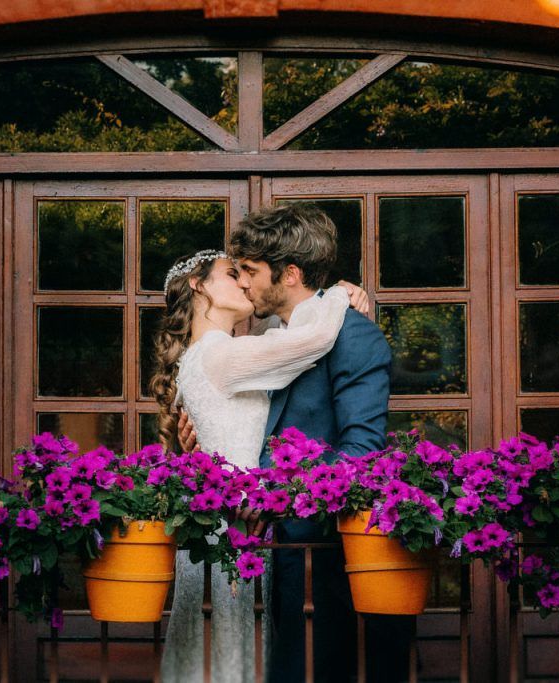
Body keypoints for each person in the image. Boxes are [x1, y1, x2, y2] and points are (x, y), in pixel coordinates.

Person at [178, 203, 413, 683]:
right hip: (271, 553)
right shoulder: (272, 336)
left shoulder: (354, 336)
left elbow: (362, 448)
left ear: (288, 273)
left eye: (249, 271)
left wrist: (281, 500)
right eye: (236, 272)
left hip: (322, 552)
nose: (242, 283)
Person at [150, 242, 368, 683]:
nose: (245, 281)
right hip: (231, 532)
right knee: (231, 659)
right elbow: (314, 339)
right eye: (233, 273)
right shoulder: (217, 355)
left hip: (241, 525)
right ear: (198, 286)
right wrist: (340, 296)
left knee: (239, 655)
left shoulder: (224, 353)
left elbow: (289, 331)